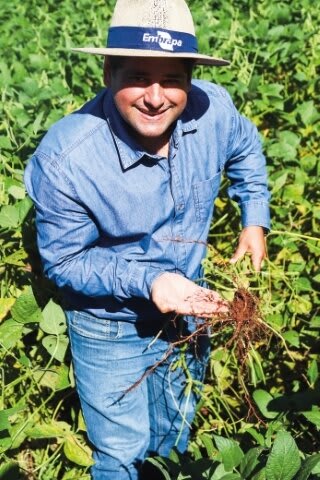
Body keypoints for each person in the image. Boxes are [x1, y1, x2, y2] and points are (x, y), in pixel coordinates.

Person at [24, 0, 270, 478]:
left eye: (172, 80)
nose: (156, 97)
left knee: (174, 439)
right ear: (108, 73)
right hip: (109, 324)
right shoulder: (68, 158)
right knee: (122, 454)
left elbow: (246, 147)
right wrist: (151, 281)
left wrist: (253, 217)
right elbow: (65, 261)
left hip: (191, 312)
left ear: (190, 80)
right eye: (138, 76)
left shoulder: (213, 110)